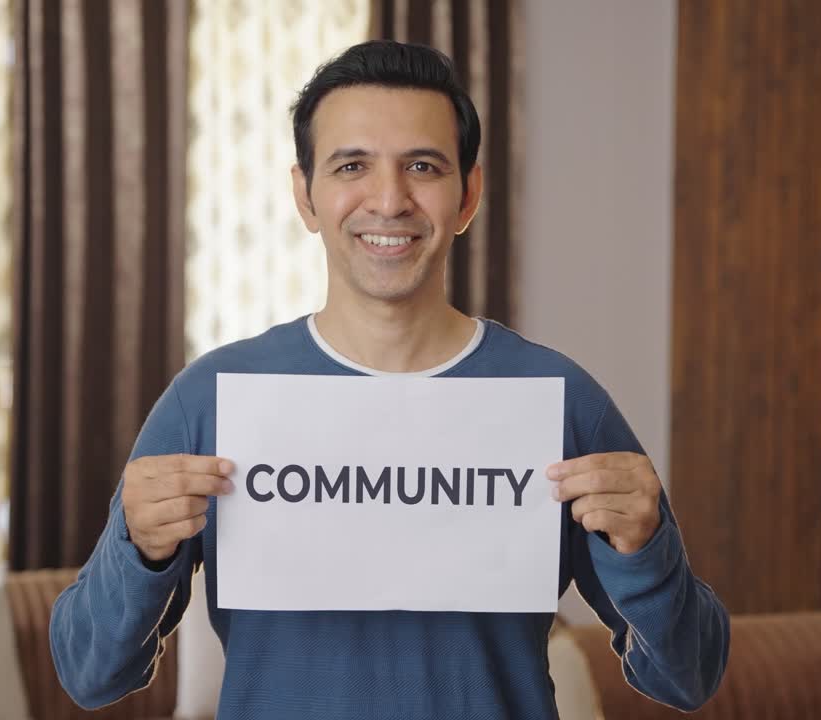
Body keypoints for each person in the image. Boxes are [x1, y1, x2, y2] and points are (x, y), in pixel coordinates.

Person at [50, 40, 729, 719]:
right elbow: (90, 673)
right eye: (352, 165)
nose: (389, 199)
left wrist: (647, 551)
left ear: (467, 196)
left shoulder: (558, 400)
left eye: (423, 166)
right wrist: (135, 550)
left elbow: (688, 676)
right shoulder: (213, 397)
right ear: (305, 195)